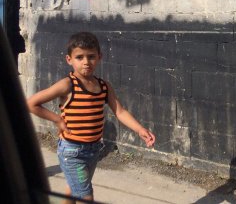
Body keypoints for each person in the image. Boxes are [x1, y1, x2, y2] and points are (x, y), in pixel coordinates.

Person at [27, 32, 156, 202]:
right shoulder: (68, 84)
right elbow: (31, 103)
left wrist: (140, 129)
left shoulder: (104, 86)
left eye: (91, 56)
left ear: (99, 57)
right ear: (69, 59)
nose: (86, 62)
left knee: (75, 189)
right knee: (85, 195)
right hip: (72, 151)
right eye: (79, 57)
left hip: (94, 150)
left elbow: (120, 111)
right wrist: (57, 120)